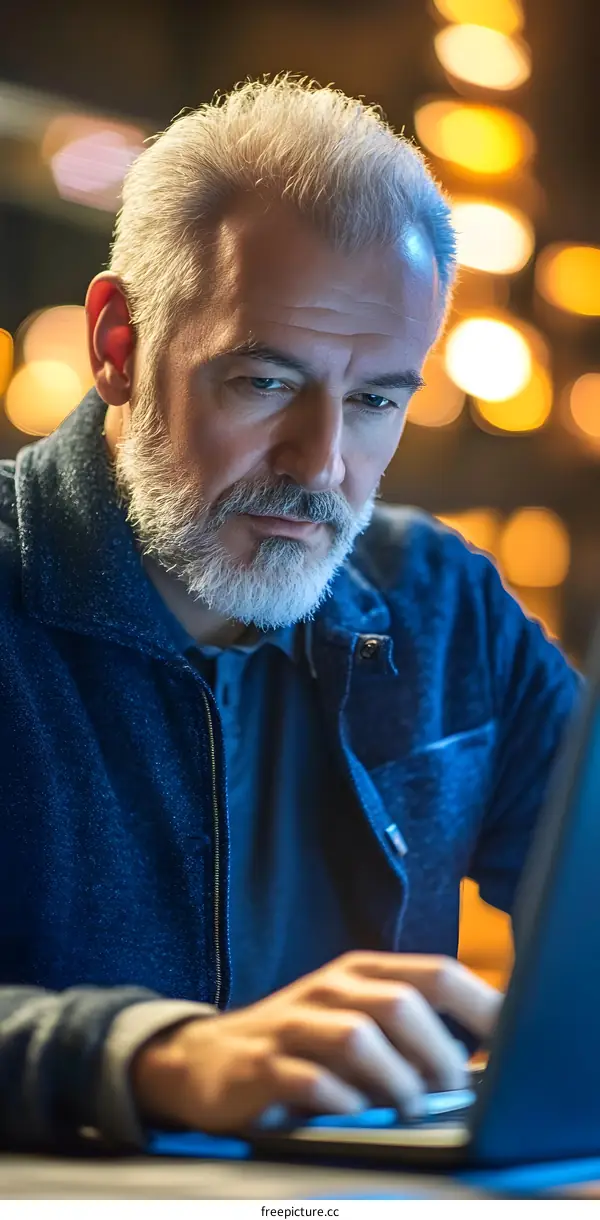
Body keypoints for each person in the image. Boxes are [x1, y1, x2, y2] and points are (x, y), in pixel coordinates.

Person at [0, 75, 580, 1153]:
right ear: (118, 344)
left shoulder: (447, 606)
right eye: (266, 381)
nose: (322, 467)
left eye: (374, 401)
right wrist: (148, 1054)